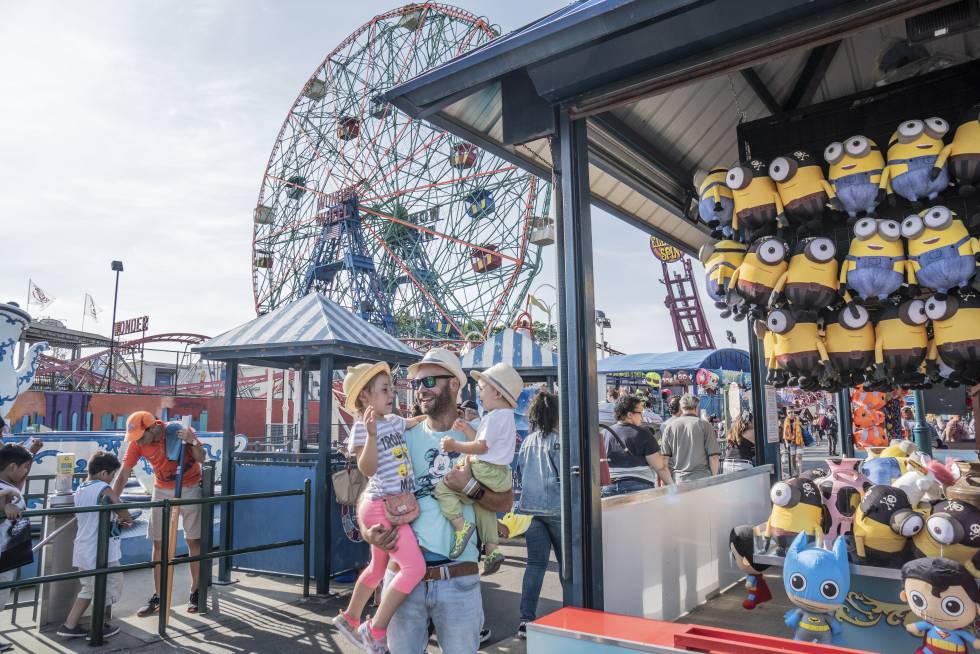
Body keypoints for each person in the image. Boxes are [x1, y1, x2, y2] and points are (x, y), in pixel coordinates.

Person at [359, 348, 512, 654]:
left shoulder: (482, 437)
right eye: (416, 383)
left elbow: (505, 501)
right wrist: (367, 530)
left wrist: (470, 487)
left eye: (428, 381)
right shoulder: (403, 434)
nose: (420, 390)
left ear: (454, 384)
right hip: (403, 578)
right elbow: (370, 491)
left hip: (459, 578)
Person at [332, 363, 428, 653]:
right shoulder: (363, 427)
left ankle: (349, 617)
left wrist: (436, 419)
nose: (392, 394)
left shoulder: (394, 420)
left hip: (388, 504)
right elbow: (367, 467)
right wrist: (372, 435)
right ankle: (374, 630)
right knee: (414, 568)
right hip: (381, 506)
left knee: (377, 568)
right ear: (365, 397)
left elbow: (414, 422)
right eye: (385, 389)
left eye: (392, 388)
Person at [112, 412, 205, 617]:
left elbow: (202, 458)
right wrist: (112, 502)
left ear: (153, 427)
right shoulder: (137, 442)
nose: (139, 441)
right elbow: (124, 473)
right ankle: (159, 595)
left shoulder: (179, 431)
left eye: (141, 436)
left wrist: (191, 443)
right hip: (161, 488)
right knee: (158, 541)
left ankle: (197, 590)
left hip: (188, 485)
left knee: (193, 540)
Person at [436, 362, 522, 575]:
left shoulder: (493, 418)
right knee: (484, 507)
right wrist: (466, 428)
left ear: (498, 393)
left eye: (483, 389)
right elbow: (484, 444)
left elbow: (481, 447)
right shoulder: (506, 417)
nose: (480, 394)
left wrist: (454, 445)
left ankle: (460, 526)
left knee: (444, 487)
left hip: (483, 468)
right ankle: (492, 550)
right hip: (500, 472)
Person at [59, 452, 133, 639]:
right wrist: (128, 518)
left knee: (89, 588)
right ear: (103, 473)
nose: (112, 479)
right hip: (100, 551)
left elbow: (100, 515)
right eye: (112, 475)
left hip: (84, 548)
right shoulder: (103, 487)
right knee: (108, 585)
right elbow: (118, 504)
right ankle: (97, 628)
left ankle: (69, 625)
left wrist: (116, 519)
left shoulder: (82, 488)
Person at [514, 390, 562, 639]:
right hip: (556, 508)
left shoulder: (528, 441)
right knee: (569, 566)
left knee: (534, 565)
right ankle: (573, 612)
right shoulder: (558, 441)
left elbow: (520, 475)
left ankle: (526, 619)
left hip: (530, 509)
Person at [0, 442, 40, 653]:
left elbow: (15, 490)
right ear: (12, 467)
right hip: (3, 555)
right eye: (25, 467)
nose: (27, 472)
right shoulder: (5, 491)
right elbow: (4, 499)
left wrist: (30, 455)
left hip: (9, 553)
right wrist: (6, 505)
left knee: (2, 597)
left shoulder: (10, 485)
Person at [901, 557, 980, 653]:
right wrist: (915, 627)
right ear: (904, 595)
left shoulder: (958, 632)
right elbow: (918, 626)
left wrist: (975, 641)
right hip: (930, 650)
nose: (933, 610)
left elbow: (968, 637)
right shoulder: (931, 625)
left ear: (977, 608)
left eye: (953, 607)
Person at [602, 395, 673, 496]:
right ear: (630, 414)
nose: (642, 417)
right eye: (640, 413)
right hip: (639, 487)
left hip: (609, 488)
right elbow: (660, 467)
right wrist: (672, 488)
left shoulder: (605, 433)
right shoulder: (642, 434)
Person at [660, 394, 719, 483]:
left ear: (681, 408)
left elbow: (664, 460)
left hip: (679, 480)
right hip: (703, 479)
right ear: (696, 407)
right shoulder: (705, 425)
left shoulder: (670, 427)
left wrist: (668, 484)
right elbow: (714, 457)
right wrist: (714, 478)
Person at [782, 410, 804, 475]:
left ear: (793, 413)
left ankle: (800, 472)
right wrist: (786, 442)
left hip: (798, 440)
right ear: (787, 414)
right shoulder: (785, 421)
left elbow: (804, 427)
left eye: (792, 412)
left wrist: (800, 424)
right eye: (789, 413)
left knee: (799, 456)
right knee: (793, 458)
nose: (791, 414)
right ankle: (795, 471)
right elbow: (784, 433)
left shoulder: (797, 419)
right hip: (790, 442)